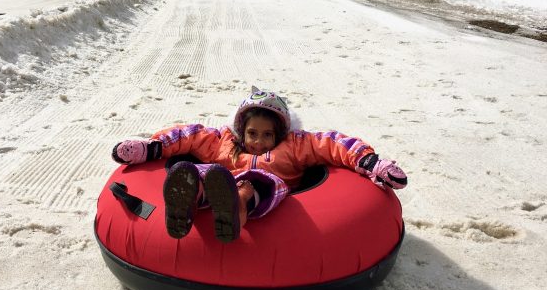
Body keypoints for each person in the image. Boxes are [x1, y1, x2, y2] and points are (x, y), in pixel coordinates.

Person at [112, 87, 407, 243]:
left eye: (268, 135)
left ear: (279, 133)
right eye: (253, 134)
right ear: (242, 130)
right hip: (221, 179)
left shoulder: (295, 147)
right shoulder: (223, 143)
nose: (259, 142)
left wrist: (371, 162)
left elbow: (334, 144)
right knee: (205, 172)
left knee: (257, 183)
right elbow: (186, 136)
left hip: (265, 191)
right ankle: (189, 198)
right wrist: (150, 148)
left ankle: (235, 210)